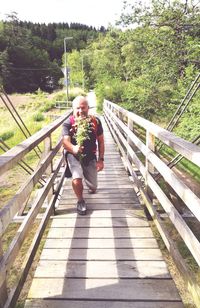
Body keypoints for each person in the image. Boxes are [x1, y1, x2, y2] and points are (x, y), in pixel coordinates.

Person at [62, 95, 105, 215]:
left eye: (83, 108)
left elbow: (101, 141)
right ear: (73, 109)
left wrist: (101, 160)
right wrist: (74, 148)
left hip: (90, 156)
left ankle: (90, 185)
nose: (80, 111)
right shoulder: (68, 123)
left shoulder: (95, 121)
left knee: (93, 187)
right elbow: (65, 141)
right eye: (77, 108)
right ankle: (80, 201)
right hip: (73, 155)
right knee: (77, 177)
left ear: (88, 108)